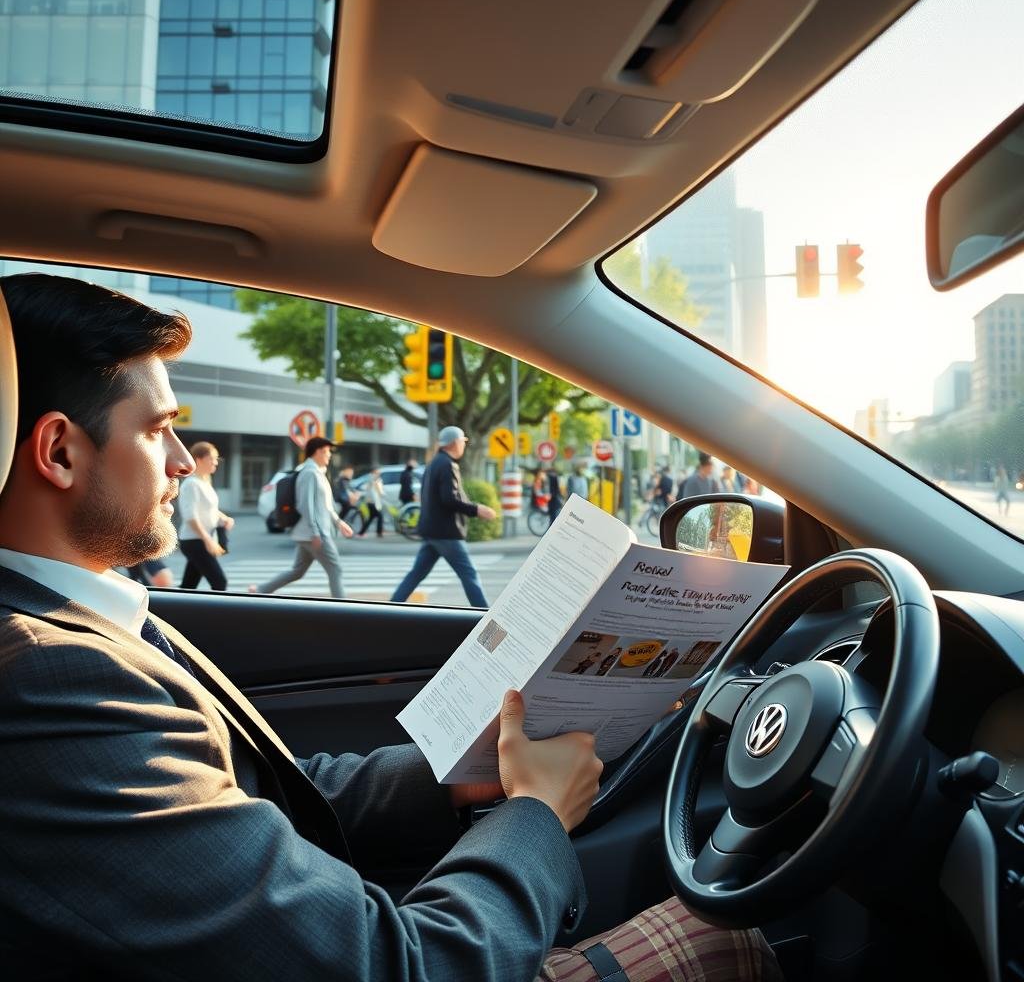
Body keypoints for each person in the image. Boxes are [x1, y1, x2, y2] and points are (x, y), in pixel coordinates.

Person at [0, 275, 779, 981]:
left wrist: (456, 774)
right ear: (60, 451)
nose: (182, 461)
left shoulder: (75, 625)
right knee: (731, 937)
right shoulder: (45, 679)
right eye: (157, 429)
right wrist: (533, 815)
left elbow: (258, 799)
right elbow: (401, 968)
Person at [391, 426, 497, 607]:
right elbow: (449, 498)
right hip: (446, 532)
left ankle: (392, 606)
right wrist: (477, 509)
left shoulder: (434, 463)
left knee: (417, 574)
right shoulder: (447, 464)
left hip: (432, 531)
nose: (464, 445)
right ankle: (483, 614)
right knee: (469, 574)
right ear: (455, 443)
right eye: (463, 442)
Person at [253, 436, 355, 598]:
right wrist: (315, 531)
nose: (329, 455)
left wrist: (338, 522)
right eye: (327, 451)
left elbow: (325, 506)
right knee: (335, 569)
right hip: (313, 533)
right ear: (317, 452)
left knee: (297, 571)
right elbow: (304, 505)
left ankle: (261, 590)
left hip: (308, 532)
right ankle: (343, 607)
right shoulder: (309, 473)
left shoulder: (318, 473)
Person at [177, 440, 233, 590]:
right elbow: (190, 516)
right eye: (212, 458)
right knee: (220, 582)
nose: (216, 462)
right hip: (195, 541)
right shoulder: (191, 484)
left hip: (200, 540)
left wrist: (224, 518)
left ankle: (174, 611)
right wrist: (207, 540)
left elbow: (210, 509)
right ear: (199, 460)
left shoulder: (204, 482)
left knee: (188, 586)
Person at [356, 466, 384, 537]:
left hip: (372, 501)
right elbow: (375, 489)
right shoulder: (373, 478)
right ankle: (379, 532)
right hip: (372, 501)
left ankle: (362, 532)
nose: (379, 473)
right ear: (374, 471)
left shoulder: (373, 478)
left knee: (371, 517)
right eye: (378, 471)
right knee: (380, 516)